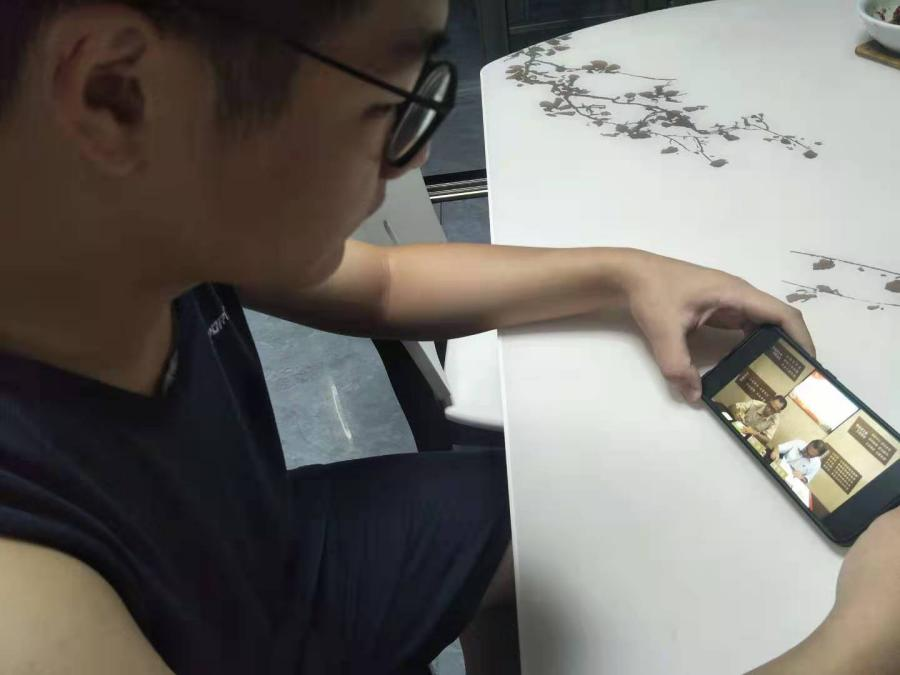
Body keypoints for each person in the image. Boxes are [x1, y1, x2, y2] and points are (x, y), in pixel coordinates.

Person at [0, 1, 896, 674]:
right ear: (117, 94)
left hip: (271, 565)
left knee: (566, 508)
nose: (419, 156)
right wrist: (860, 640)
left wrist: (628, 272)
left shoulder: (121, 220)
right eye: (393, 100)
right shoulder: (25, 611)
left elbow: (382, 283)